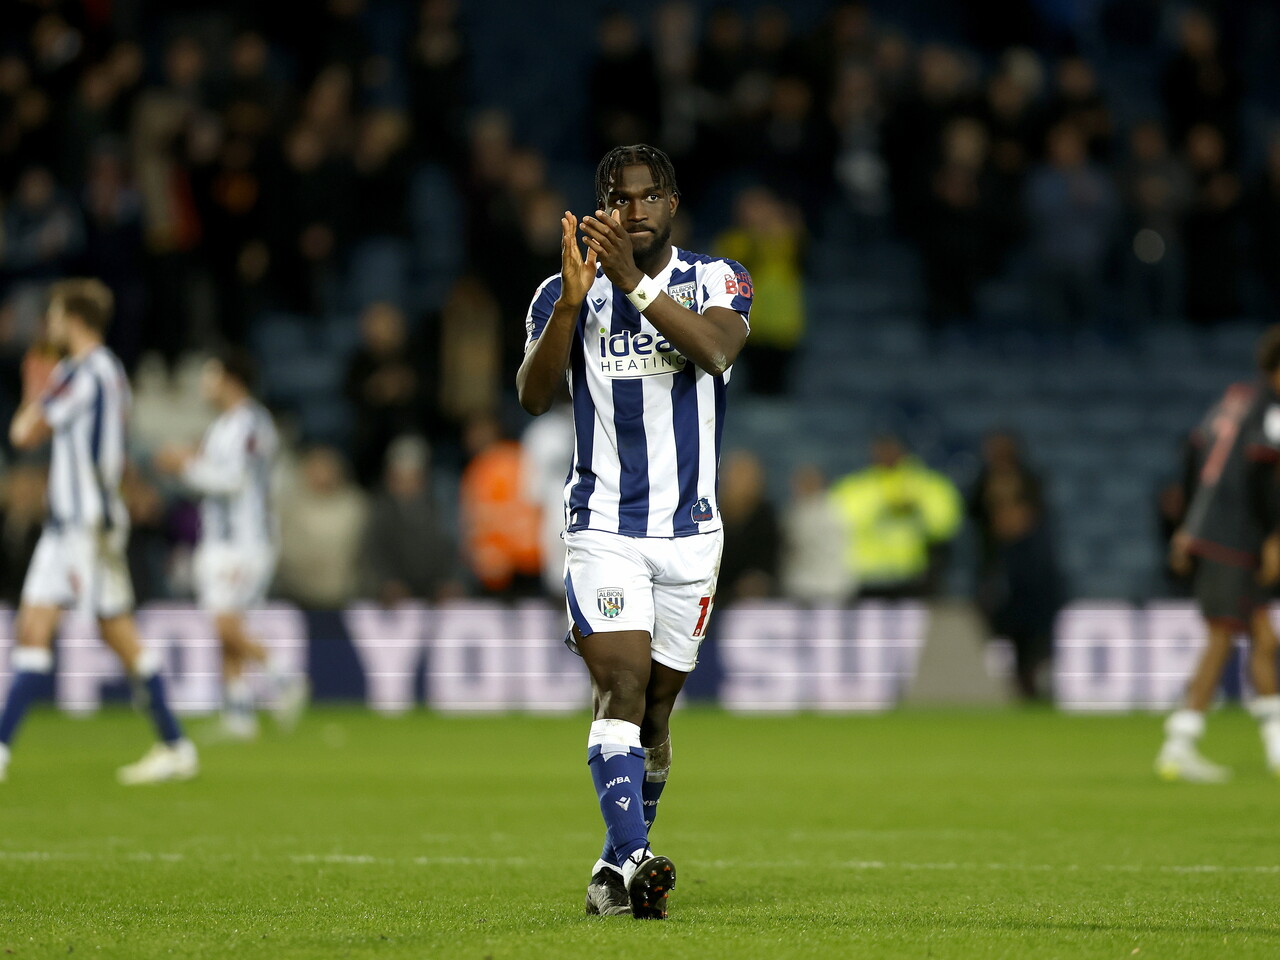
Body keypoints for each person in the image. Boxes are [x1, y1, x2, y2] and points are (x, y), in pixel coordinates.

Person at [517, 144, 752, 919]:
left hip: (691, 535)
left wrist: (635, 286)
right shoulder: (563, 289)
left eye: (649, 197)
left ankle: (614, 871)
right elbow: (533, 395)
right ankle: (640, 856)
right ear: (601, 209)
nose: (636, 210)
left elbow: (715, 352)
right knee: (619, 683)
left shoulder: (719, 281)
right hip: (604, 526)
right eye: (621, 199)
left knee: (655, 712)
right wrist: (569, 307)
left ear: (673, 202)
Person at [0, 279, 196, 784]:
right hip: (80, 524)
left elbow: (23, 434)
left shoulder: (83, 371)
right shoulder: (109, 372)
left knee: (56, 629)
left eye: (56, 315)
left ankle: (0, 750)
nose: (50, 324)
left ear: (75, 318)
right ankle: (175, 744)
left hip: (82, 527)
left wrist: (32, 392)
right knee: (101, 633)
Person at [154, 349, 306, 740]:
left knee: (223, 621)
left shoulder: (251, 423)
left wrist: (183, 466)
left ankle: (285, 678)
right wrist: (192, 461)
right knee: (229, 624)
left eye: (211, 376)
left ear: (231, 380)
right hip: (221, 539)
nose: (206, 385)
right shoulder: (224, 425)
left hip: (245, 541)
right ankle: (239, 714)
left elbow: (234, 481)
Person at [1158, 326, 1280, 782]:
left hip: (1218, 534)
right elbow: (1267, 474)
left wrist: (1188, 529)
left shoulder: (1231, 401)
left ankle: (1275, 749)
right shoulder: (1270, 408)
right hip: (1237, 538)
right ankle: (1178, 745)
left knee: (1264, 639)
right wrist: (1275, 537)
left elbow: (1193, 457)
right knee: (1222, 638)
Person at [829, 435, 963, 598]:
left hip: (913, 575)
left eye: (892, 449)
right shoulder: (856, 486)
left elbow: (945, 525)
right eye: (882, 450)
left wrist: (915, 508)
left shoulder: (928, 484)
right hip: (867, 577)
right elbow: (837, 522)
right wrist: (884, 504)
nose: (887, 454)